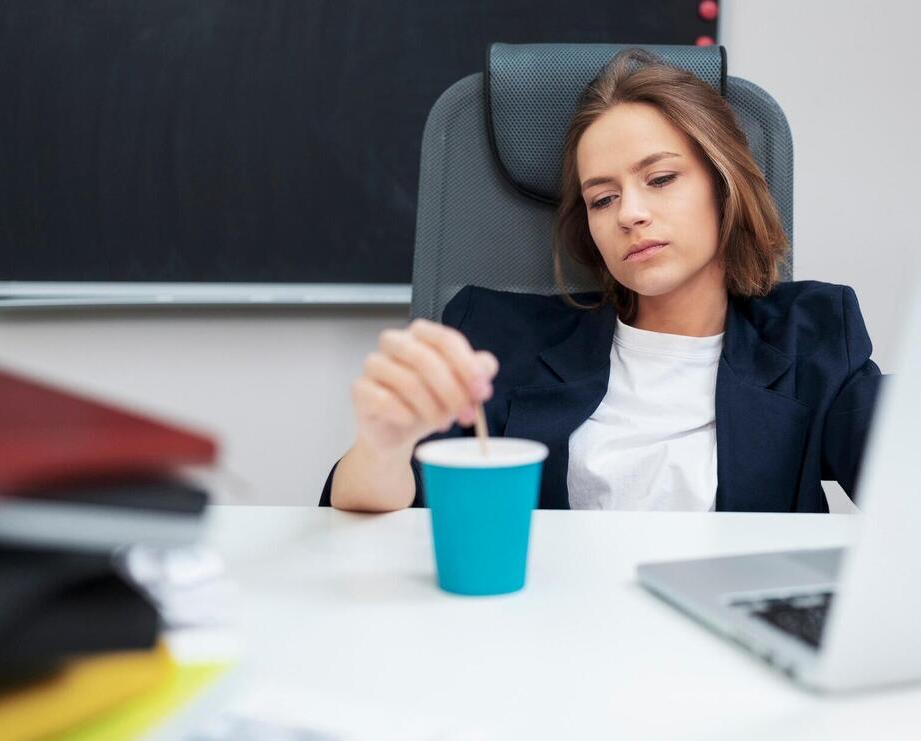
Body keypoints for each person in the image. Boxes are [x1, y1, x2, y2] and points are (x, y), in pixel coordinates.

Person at [320, 48, 885, 513]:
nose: (629, 214)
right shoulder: (494, 336)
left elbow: (920, 490)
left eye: (660, 179)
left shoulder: (812, 339)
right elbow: (373, 511)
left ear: (724, 186)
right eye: (603, 198)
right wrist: (382, 444)